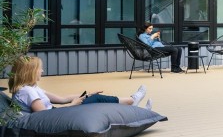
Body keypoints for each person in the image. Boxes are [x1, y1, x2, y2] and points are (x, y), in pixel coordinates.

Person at [9, 56, 152, 113]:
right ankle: (133, 100)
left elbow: (61, 98)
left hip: (59, 110)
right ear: (30, 72)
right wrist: (74, 104)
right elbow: (44, 115)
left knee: (94, 98)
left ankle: (132, 105)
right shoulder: (27, 92)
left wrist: (84, 96)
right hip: (58, 115)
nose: (42, 71)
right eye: (39, 69)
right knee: (97, 101)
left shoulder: (32, 88)